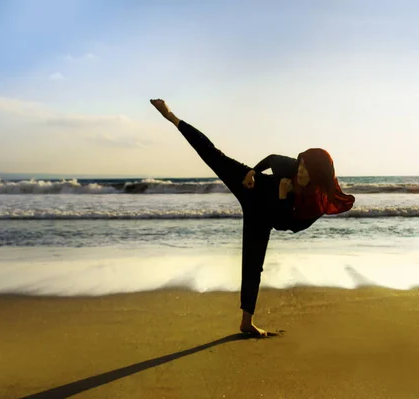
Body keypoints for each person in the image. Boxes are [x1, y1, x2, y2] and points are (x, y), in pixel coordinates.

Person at [150, 99, 355, 337]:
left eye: (306, 169)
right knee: (213, 155)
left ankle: (246, 322)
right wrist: (252, 172)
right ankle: (172, 116)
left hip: (264, 217)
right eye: (300, 164)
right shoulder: (293, 167)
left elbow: (287, 226)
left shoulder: (315, 206)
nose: (300, 170)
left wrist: (280, 199)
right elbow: (271, 159)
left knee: (252, 265)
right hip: (253, 187)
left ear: (318, 174)